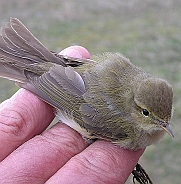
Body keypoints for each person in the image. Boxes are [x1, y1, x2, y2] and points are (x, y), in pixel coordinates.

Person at [0, 46, 144, 184]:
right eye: (146, 113)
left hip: (73, 74)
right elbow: (75, 104)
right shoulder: (128, 128)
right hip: (69, 93)